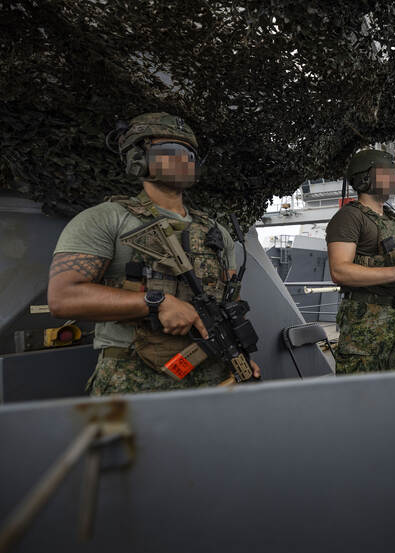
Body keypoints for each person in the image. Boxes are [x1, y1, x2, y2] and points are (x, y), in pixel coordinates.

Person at [47, 112, 259, 395]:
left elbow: (230, 301)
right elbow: (63, 299)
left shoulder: (217, 232)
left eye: (189, 153)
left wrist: (239, 354)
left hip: (215, 374)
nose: (183, 159)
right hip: (135, 379)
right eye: (170, 151)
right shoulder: (107, 219)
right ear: (138, 159)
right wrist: (156, 302)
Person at [326, 149, 395, 374]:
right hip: (364, 324)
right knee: (361, 399)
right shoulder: (350, 217)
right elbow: (339, 271)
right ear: (365, 178)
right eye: (386, 173)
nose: (393, 179)